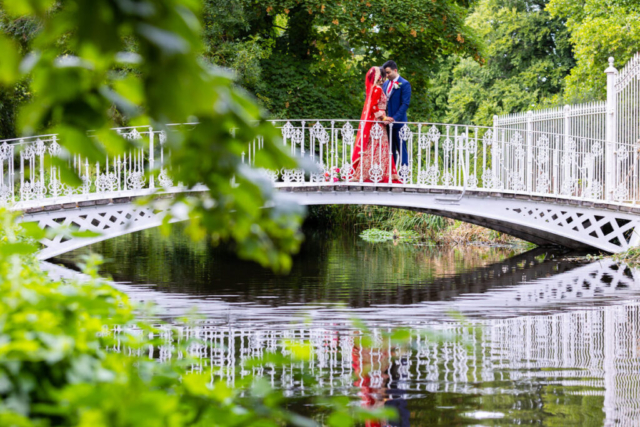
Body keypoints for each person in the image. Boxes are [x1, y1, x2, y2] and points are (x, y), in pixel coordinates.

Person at [351, 66, 400, 183]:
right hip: (378, 122)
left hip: (378, 122)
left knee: (378, 147)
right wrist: (383, 117)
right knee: (376, 147)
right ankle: (370, 174)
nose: (385, 78)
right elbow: (373, 106)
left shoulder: (376, 88)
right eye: (383, 75)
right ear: (380, 76)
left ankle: (375, 173)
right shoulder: (377, 89)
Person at [381, 60, 412, 168]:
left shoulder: (404, 84)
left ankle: (404, 175)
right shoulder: (385, 84)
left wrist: (394, 118)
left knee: (401, 148)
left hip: (399, 123)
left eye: (388, 73)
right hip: (386, 123)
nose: (387, 75)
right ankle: (391, 174)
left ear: (395, 70)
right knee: (390, 150)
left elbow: (405, 104)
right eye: (385, 73)